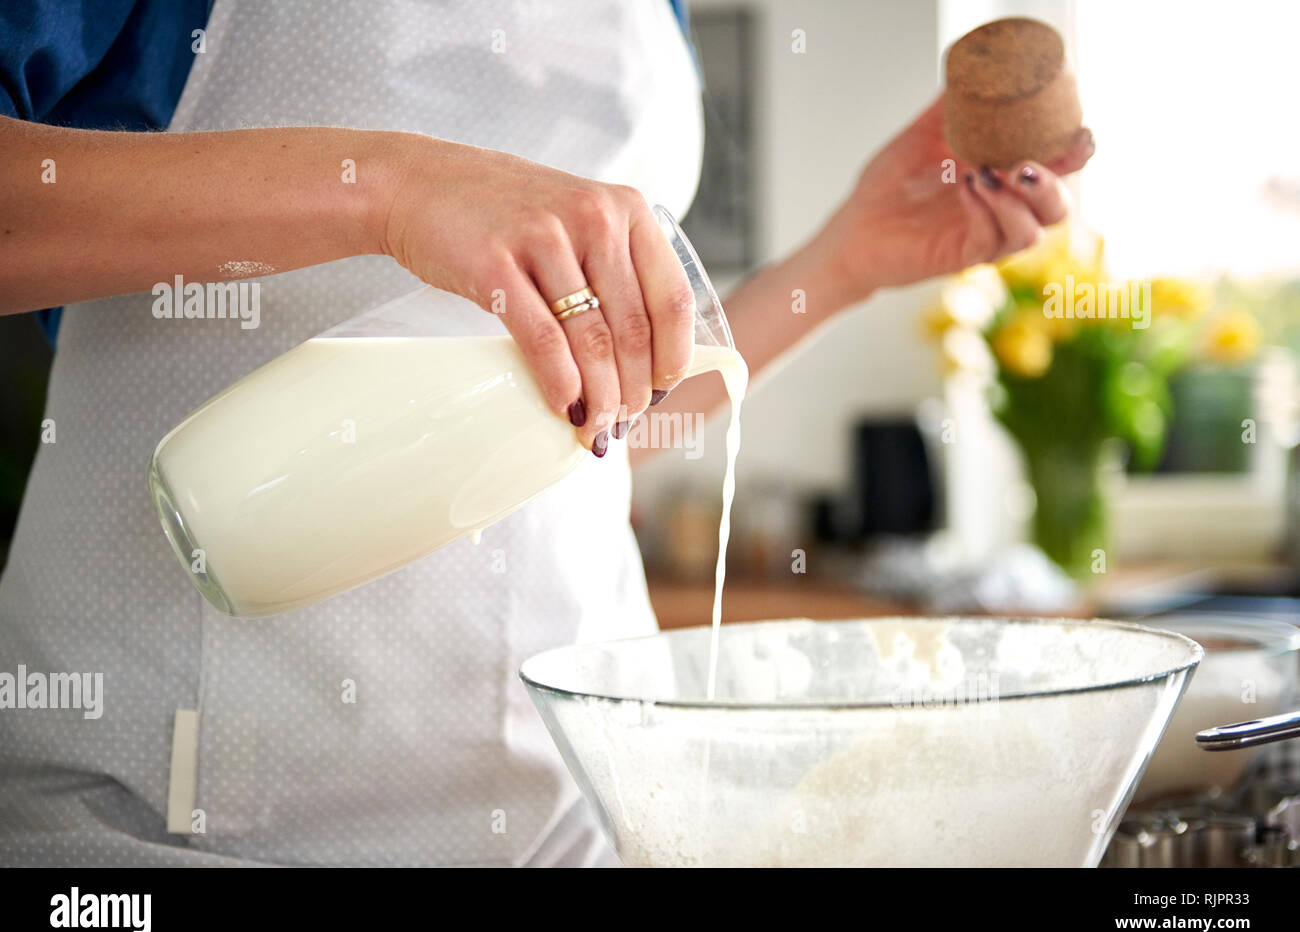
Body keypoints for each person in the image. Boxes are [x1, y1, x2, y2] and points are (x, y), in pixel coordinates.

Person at [0, 0, 1092, 866]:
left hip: (573, 823)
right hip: (166, 833)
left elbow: (584, 425)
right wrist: (388, 189)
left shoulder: (649, 22)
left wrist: (847, 259)